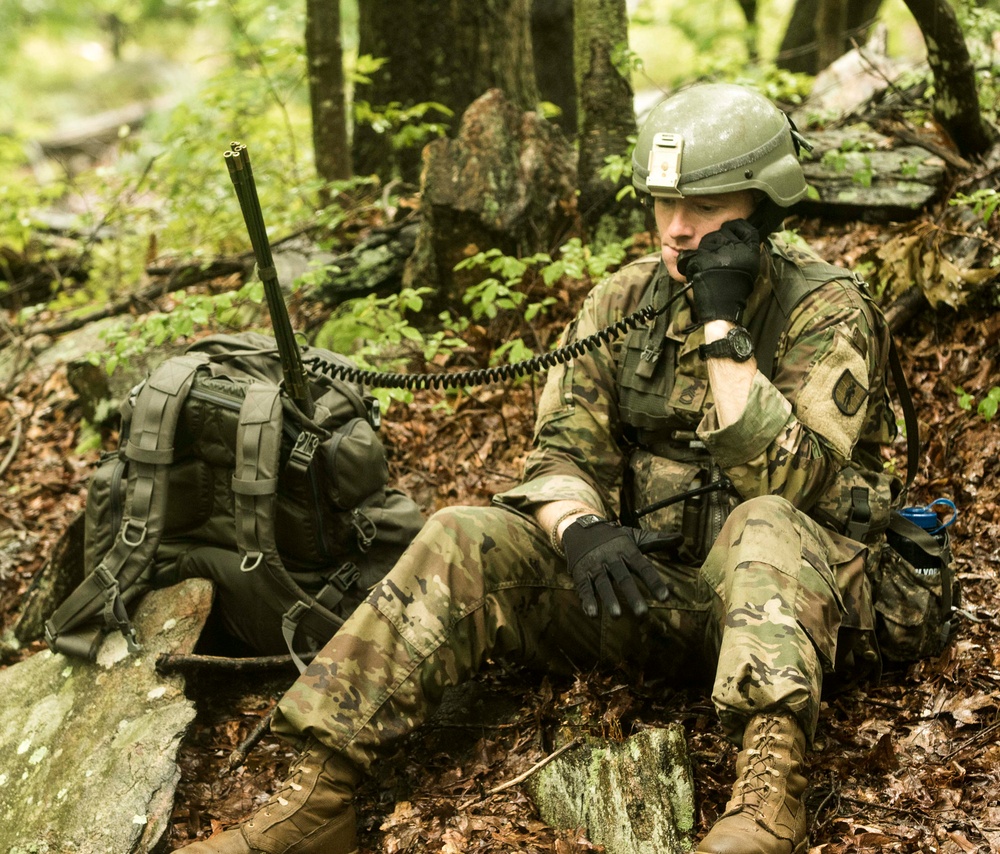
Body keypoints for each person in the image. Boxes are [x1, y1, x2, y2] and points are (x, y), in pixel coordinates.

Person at [182, 82, 898, 854]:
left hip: (804, 610)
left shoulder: (824, 310)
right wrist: (578, 525)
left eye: (706, 208)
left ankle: (766, 802)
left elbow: (793, 484)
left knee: (762, 519)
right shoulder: (624, 299)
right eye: (664, 206)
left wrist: (722, 327)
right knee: (463, 532)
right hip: (657, 596)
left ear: (764, 208)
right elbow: (558, 452)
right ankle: (315, 800)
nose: (679, 230)